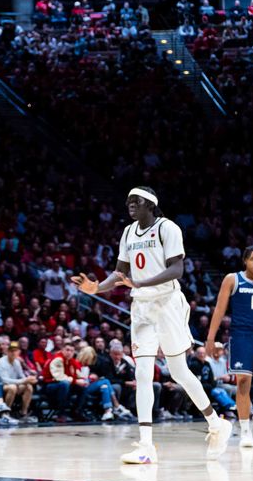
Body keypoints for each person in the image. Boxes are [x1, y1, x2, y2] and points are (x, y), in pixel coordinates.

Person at [74, 186, 232, 464]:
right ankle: (146, 445)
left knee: (180, 371)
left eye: (135, 201)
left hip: (167, 302)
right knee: (144, 371)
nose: (130, 205)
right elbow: (120, 273)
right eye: (128, 202)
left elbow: (176, 269)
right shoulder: (127, 232)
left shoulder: (167, 228)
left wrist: (140, 282)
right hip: (142, 306)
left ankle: (216, 423)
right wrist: (96, 288)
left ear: (150, 204)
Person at [205, 245, 253, 449]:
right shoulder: (233, 279)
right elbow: (219, 310)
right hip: (241, 337)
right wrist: (210, 338)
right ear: (245, 261)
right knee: (243, 384)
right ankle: (245, 431)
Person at [0, 341, 38, 424]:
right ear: (7, 352)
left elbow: (21, 377)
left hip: (10, 384)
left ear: (19, 352)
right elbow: (5, 380)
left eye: (15, 351)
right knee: (13, 387)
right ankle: (5, 415)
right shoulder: (1, 363)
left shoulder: (17, 362)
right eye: (11, 351)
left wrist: (30, 379)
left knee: (28, 386)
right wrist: (24, 380)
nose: (13, 353)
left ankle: (23, 414)